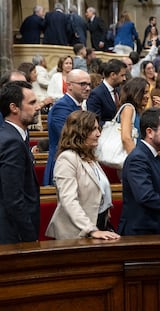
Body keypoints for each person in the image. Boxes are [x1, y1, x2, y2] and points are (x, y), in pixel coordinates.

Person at [45, 110, 121, 240]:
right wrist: (91, 229)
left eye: (98, 128)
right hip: (76, 234)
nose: (99, 134)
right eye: (93, 130)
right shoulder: (67, 159)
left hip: (98, 225)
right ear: (79, 132)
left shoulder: (89, 157)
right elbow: (68, 200)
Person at [0, 81, 41, 244]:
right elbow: (13, 198)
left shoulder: (11, 135)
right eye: (32, 103)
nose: (38, 107)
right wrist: (30, 238)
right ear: (14, 107)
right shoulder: (12, 142)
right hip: (13, 235)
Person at [44, 69, 92, 186]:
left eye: (89, 84)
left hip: (76, 162)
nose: (88, 88)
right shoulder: (61, 107)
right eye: (82, 84)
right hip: (64, 165)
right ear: (69, 85)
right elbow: (70, 138)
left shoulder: (77, 105)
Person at [87, 59, 127, 124]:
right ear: (113, 75)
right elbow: (95, 121)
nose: (124, 79)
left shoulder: (119, 91)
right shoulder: (96, 94)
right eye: (122, 75)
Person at [119, 77, 149, 154]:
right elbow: (126, 138)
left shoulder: (139, 111)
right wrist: (136, 159)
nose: (148, 96)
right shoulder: (128, 109)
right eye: (145, 92)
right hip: (131, 156)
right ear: (136, 93)